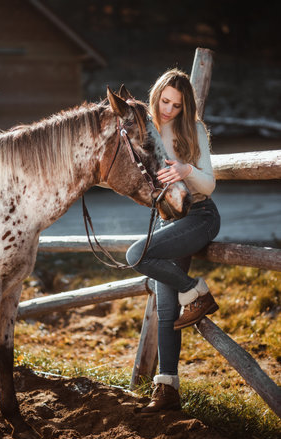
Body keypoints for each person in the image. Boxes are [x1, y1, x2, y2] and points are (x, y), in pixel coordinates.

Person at [126, 68, 221, 414]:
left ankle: (197, 292)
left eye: (176, 105)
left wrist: (186, 170)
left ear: (186, 107)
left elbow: (208, 184)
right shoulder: (147, 130)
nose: (168, 109)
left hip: (201, 216)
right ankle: (167, 391)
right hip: (171, 219)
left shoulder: (194, 130)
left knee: (137, 254)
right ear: (156, 96)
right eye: (165, 101)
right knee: (166, 310)